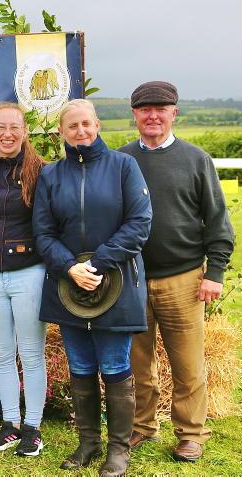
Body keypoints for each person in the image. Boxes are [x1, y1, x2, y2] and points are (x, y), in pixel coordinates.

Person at [33, 99, 152, 477]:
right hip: (69, 287)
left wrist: (97, 264)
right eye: (72, 126)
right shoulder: (51, 175)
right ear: (61, 132)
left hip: (116, 284)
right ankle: (88, 443)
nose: (80, 131)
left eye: (86, 123)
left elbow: (139, 223)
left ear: (97, 125)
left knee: (115, 365)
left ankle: (118, 449)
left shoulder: (124, 166)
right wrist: (71, 268)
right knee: (81, 366)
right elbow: (43, 233)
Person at [119, 81, 234, 462]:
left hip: (183, 278)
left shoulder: (196, 159)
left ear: (174, 113)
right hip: (132, 279)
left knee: (188, 365)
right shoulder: (121, 161)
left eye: (161, 109)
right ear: (134, 114)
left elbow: (218, 221)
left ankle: (190, 433)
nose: (153, 116)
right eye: (145, 109)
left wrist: (214, 273)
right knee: (139, 364)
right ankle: (141, 425)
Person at [0, 102, 48, 456]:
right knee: (0, 353)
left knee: (31, 353)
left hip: (29, 272)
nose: (7, 133)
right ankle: (10, 425)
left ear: (24, 130)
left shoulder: (41, 171)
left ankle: (33, 427)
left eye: (14, 127)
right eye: (1, 127)